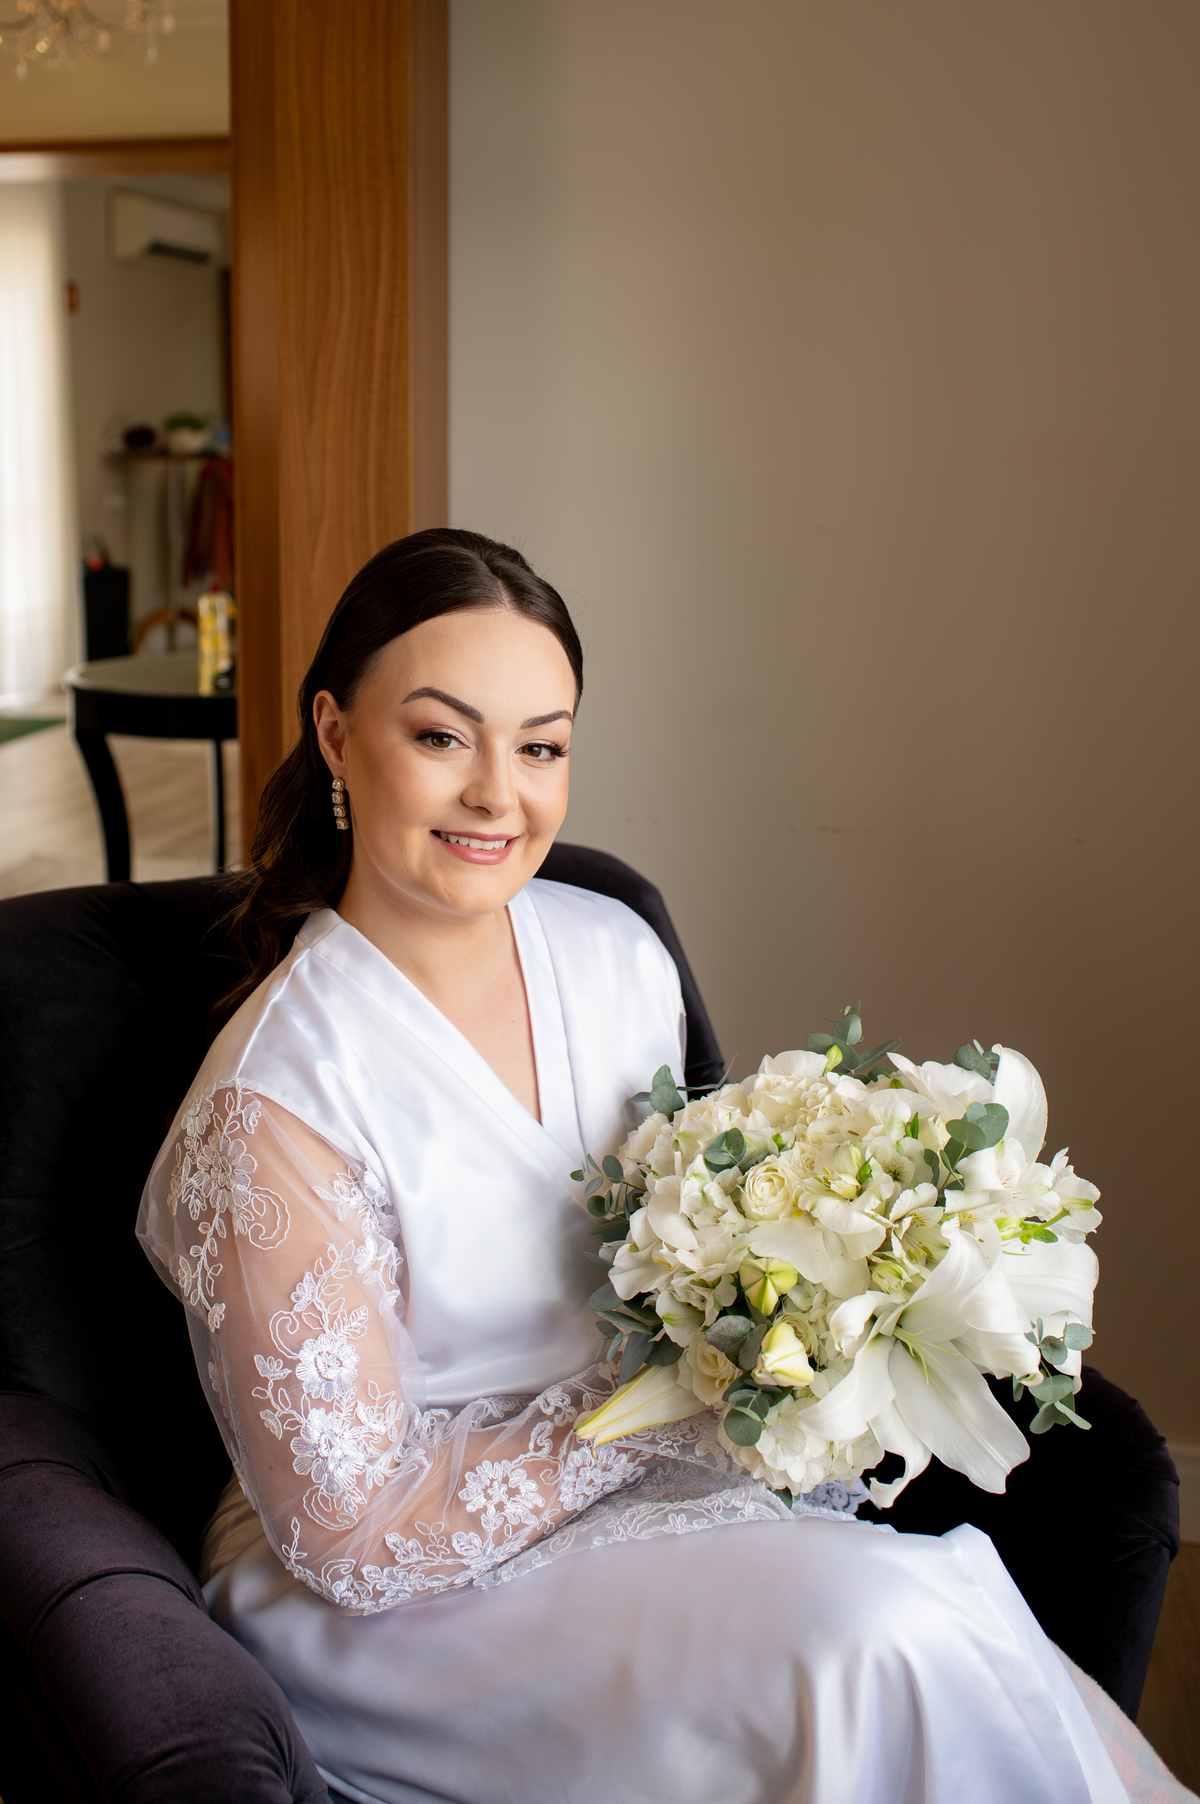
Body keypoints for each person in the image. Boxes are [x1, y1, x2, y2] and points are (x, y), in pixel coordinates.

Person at [137, 529, 1182, 1804]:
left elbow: (690, 1240)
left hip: (650, 1500)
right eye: (443, 736)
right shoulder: (278, 1101)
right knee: (880, 1638)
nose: (497, 795)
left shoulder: (617, 954)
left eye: (541, 746)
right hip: (398, 1606)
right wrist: (667, 1412)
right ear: (337, 735)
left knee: (937, 1606)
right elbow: (352, 1534)